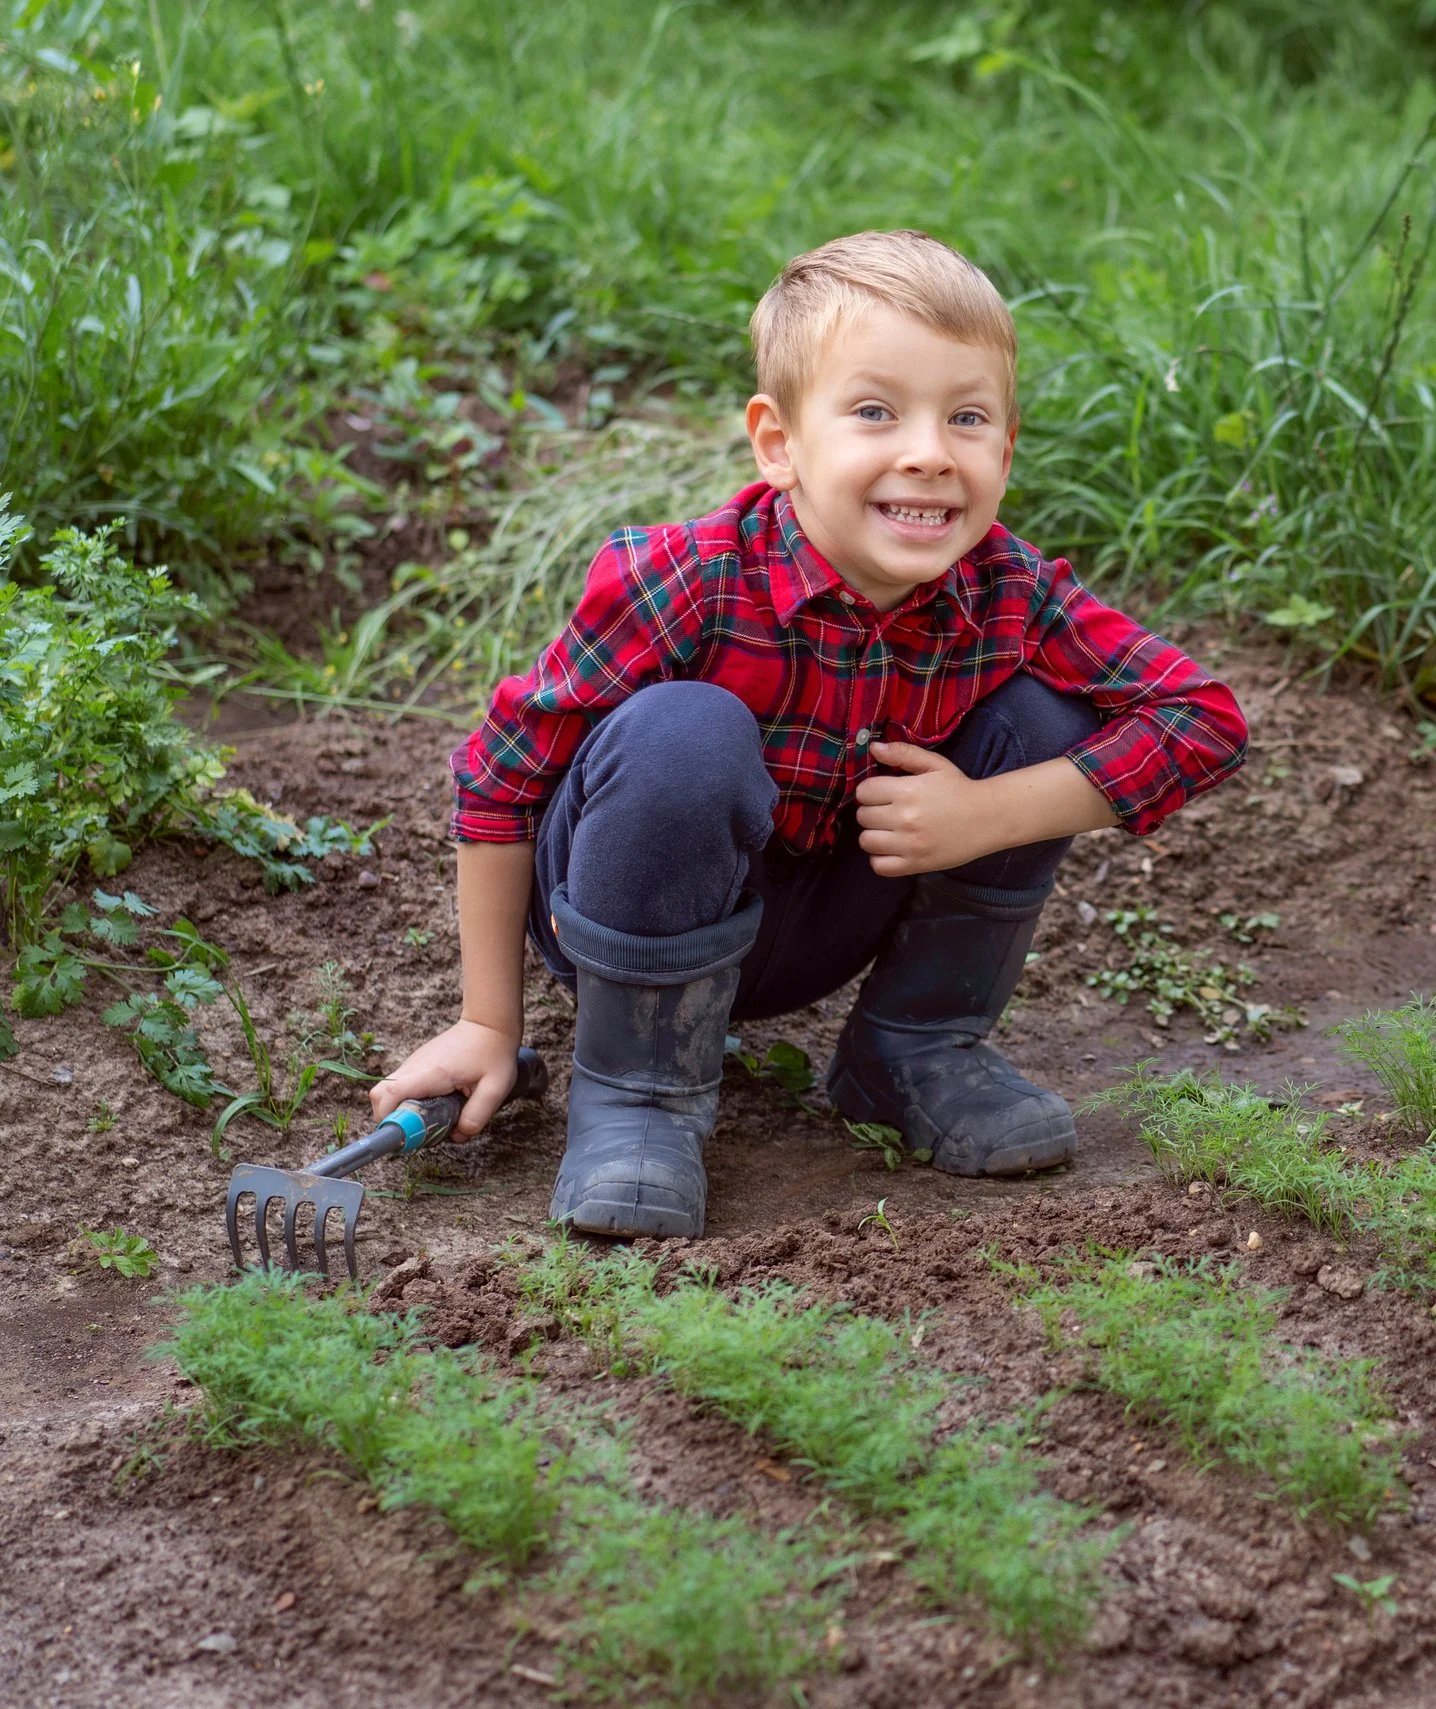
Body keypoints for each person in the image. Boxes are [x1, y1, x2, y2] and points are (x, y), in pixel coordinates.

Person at [368, 230, 1247, 1238]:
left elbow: (1203, 716)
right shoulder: (683, 578)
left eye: (967, 417)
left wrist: (984, 812)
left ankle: (913, 1049)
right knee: (682, 731)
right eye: (875, 411)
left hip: (830, 913)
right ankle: (638, 1092)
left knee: (1042, 719)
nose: (927, 450)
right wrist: (488, 1019)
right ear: (779, 442)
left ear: (1005, 451)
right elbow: (502, 775)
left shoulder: (1011, 590)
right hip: (635, 912)